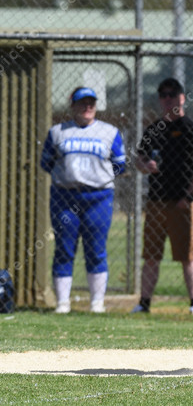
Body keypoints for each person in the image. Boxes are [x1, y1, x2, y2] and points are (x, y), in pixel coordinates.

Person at [40, 87, 126, 313]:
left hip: (98, 197)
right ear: (72, 106)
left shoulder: (109, 132)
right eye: (82, 102)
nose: (87, 107)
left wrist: (97, 176)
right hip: (65, 197)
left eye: (91, 103)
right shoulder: (58, 132)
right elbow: (46, 162)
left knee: (96, 249)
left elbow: (120, 165)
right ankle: (62, 303)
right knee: (64, 248)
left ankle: (97, 303)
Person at [131, 78, 193, 314]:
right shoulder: (154, 129)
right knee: (151, 255)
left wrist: (189, 197)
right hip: (156, 201)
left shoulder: (190, 128)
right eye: (163, 95)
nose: (167, 99)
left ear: (182, 98)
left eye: (172, 94)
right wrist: (145, 166)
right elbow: (139, 160)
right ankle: (144, 303)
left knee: (187, 255)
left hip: (181, 202)